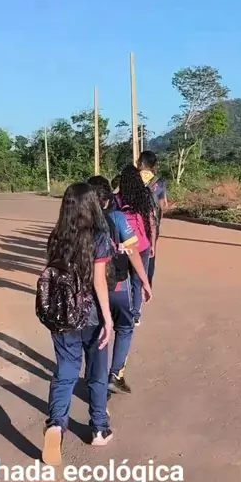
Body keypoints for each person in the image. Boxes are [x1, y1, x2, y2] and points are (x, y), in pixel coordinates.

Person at [42, 183, 113, 465]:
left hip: (62, 315)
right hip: (92, 316)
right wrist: (108, 318)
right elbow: (99, 281)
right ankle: (99, 429)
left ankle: (56, 425)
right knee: (97, 373)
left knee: (66, 371)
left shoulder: (56, 236)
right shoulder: (99, 237)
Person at [88, 176, 152, 394]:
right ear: (107, 198)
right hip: (118, 285)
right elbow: (133, 251)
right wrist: (145, 281)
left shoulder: (80, 221)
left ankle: (96, 379)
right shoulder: (117, 217)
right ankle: (115, 375)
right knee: (124, 328)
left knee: (97, 331)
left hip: (91, 288)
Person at [115, 165, 156, 326]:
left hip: (123, 244)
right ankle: (135, 314)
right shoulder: (144, 197)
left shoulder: (116, 199)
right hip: (143, 244)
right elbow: (151, 222)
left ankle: (122, 310)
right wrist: (152, 244)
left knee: (122, 280)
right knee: (137, 281)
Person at [137, 150, 168, 287]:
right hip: (152, 225)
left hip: (134, 223)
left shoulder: (132, 179)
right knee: (150, 253)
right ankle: (147, 284)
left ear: (141, 163)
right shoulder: (159, 182)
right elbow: (162, 206)